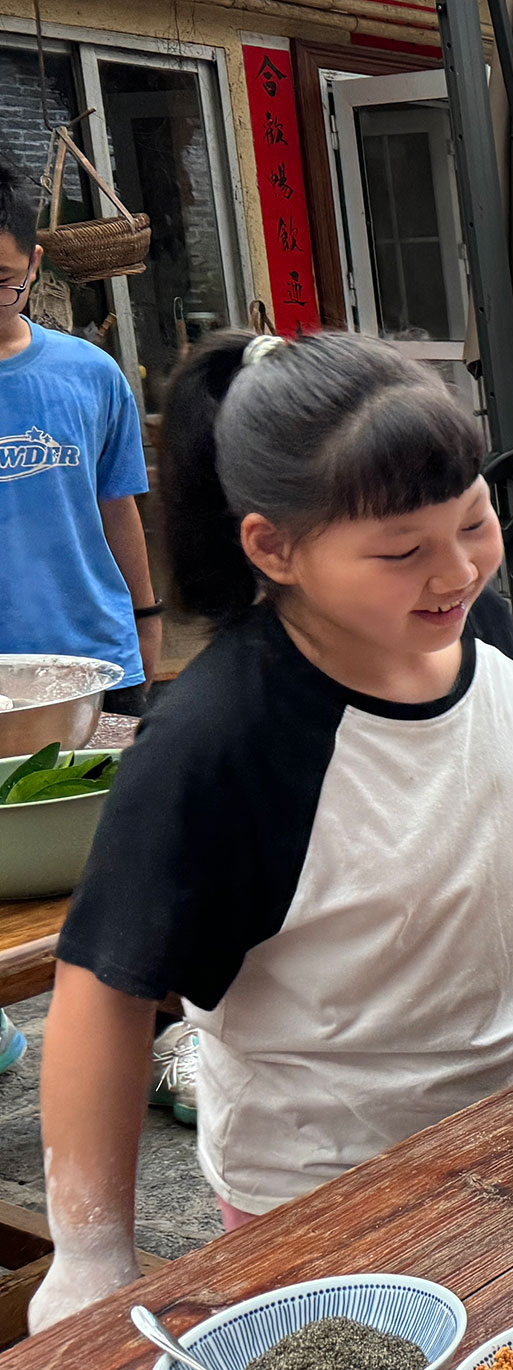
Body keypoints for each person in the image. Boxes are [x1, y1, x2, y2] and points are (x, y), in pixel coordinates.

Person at [26, 331, 513, 1335]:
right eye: (402, 551)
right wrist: (91, 1253)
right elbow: (104, 988)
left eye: (475, 523)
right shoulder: (217, 738)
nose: (453, 572)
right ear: (274, 546)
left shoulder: (464, 622)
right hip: (329, 1201)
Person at [0, 158, 157, 1076]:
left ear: (34, 265)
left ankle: (151, 1032)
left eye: (2, 279)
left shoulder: (87, 374)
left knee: (122, 863)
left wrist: (147, 619)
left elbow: (118, 506)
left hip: (90, 660)